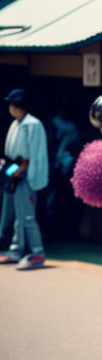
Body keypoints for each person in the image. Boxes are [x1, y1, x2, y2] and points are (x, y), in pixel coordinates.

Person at [0, 89, 49, 269]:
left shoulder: (32, 124)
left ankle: (37, 252)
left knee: (27, 215)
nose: (10, 108)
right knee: (17, 215)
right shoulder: (17, 124)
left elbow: (32, 155)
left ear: (18, 106)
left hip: (26, 175)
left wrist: (21, 170)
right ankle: (16, 249)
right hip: (16, 172)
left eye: (12, 105)